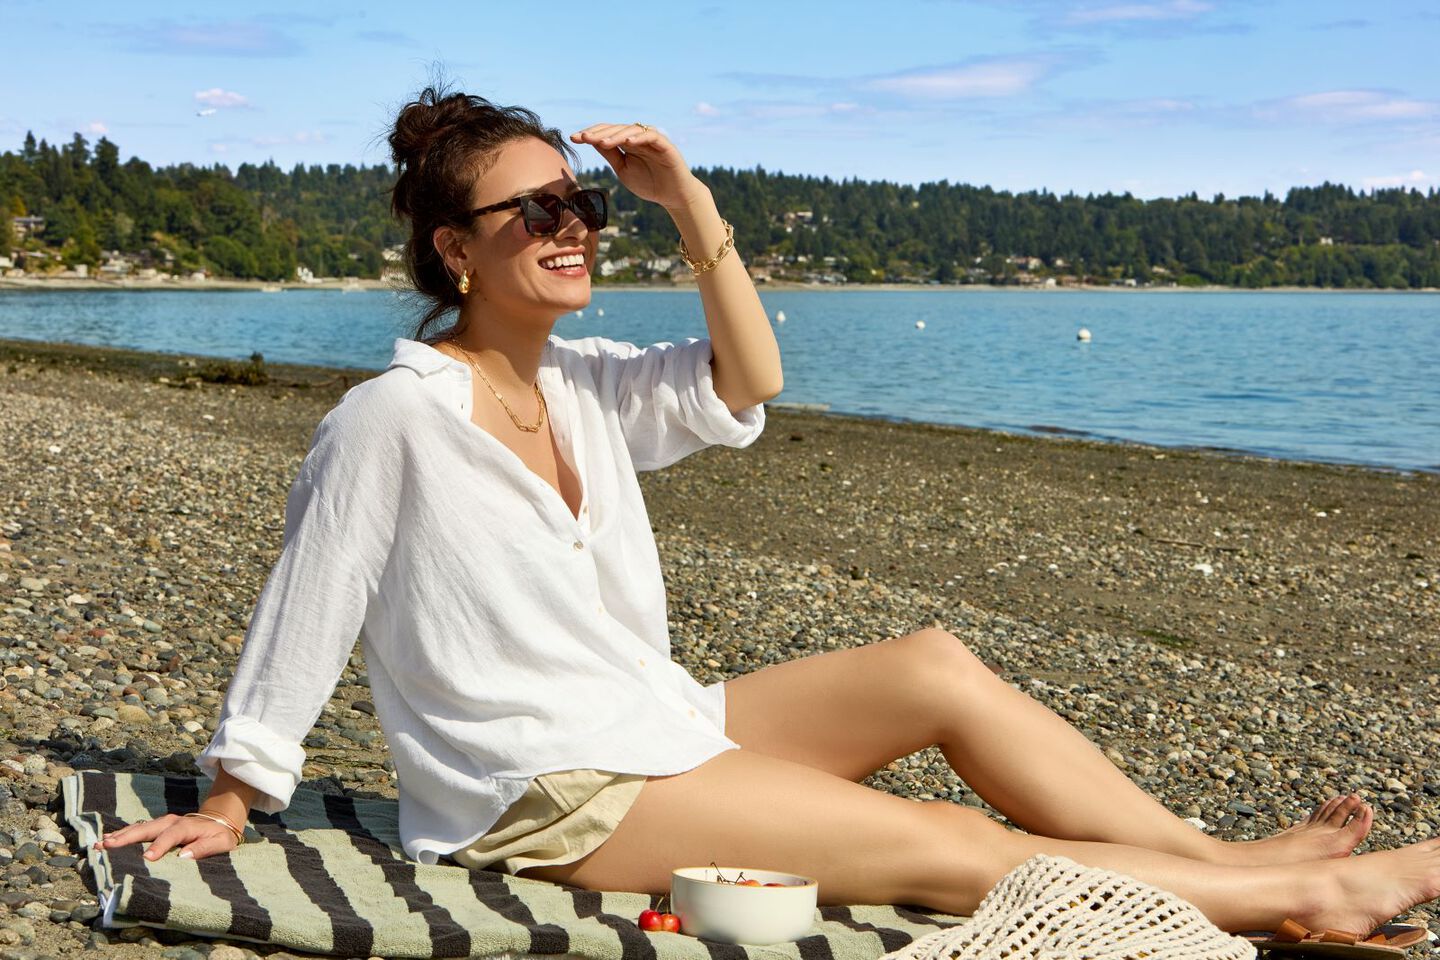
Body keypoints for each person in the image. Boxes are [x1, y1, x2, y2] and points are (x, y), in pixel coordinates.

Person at [94, 87, 1440, 936]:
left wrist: (691, 208)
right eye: (535, 211)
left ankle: (1217, 861)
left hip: (653, 721)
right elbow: (307, 598)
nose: (572, 226)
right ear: (455, 249)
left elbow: (753, 377)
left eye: (582, 204)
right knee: (952, 846)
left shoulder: (588, 384)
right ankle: (1315, 893)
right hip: (544, 789)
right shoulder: (393, 418)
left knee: (936, 670)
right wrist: (233, 794)